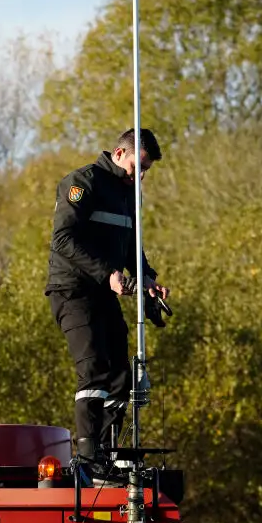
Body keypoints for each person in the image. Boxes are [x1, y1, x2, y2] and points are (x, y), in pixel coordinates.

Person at [45, 128, 170, 471]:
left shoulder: (128, 195)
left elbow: (131, 245)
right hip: (72, 291)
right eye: (137, 166)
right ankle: (87, 457)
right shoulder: (83, 183)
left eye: (145, 171)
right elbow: (63, 239)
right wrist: (106, 273)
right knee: (94, 369)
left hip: (104, 292)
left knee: (120, 375)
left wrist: (146, 279)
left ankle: (109, 453)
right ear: (119, 154)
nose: (140, 175)